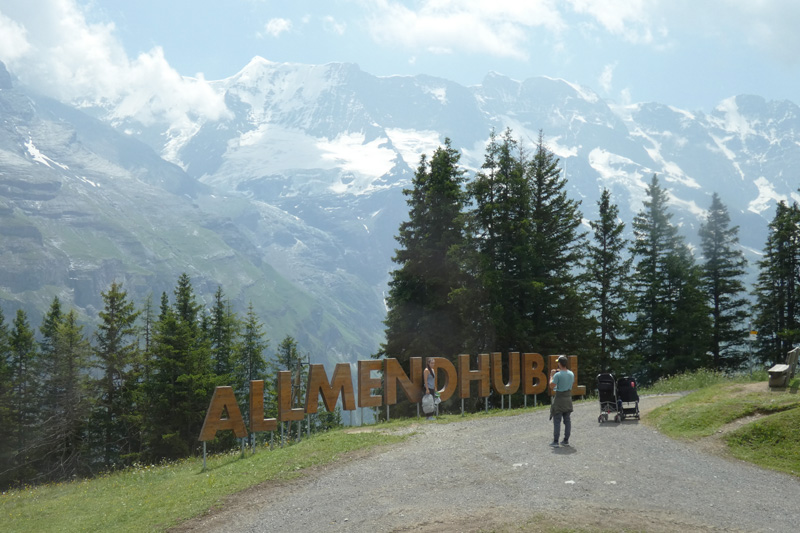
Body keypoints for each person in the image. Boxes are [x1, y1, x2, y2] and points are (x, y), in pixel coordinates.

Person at [549, 355, 574, 447]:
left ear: (559, 363)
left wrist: (551, 376)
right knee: (567, 420)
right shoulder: (571, 373)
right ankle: (566, 440)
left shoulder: (557, 375)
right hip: (568, 398)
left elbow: (551, 386)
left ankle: (556, 441)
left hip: (559, 399)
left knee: (557, 420)